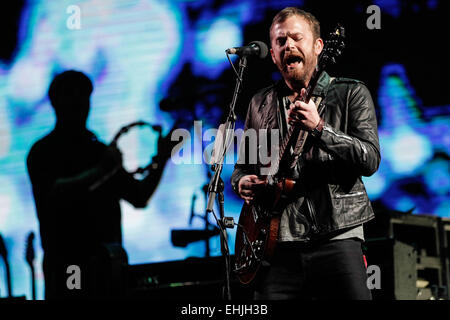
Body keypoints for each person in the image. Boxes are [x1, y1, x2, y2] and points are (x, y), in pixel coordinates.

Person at [231, 7, 380, 300]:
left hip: (336, 237)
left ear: (318, 46)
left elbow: (370, 158)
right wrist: (241, 182)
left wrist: (320, 128)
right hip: (277, 245)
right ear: (273, 54)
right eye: (280, 41)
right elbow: (242, 166)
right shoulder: (258, 103)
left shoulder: (351, 93)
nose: (289, 45)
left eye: (297, 38)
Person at [26, 70, 175, 299]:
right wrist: (102, 170)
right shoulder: (43, 152)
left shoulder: (98, 150)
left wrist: (163, 158)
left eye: (84, 98)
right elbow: (54, 194)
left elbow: (138, 195)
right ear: (57, 103)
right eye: (73, 97)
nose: (81, 105)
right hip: (68, 264)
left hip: (108, 265)